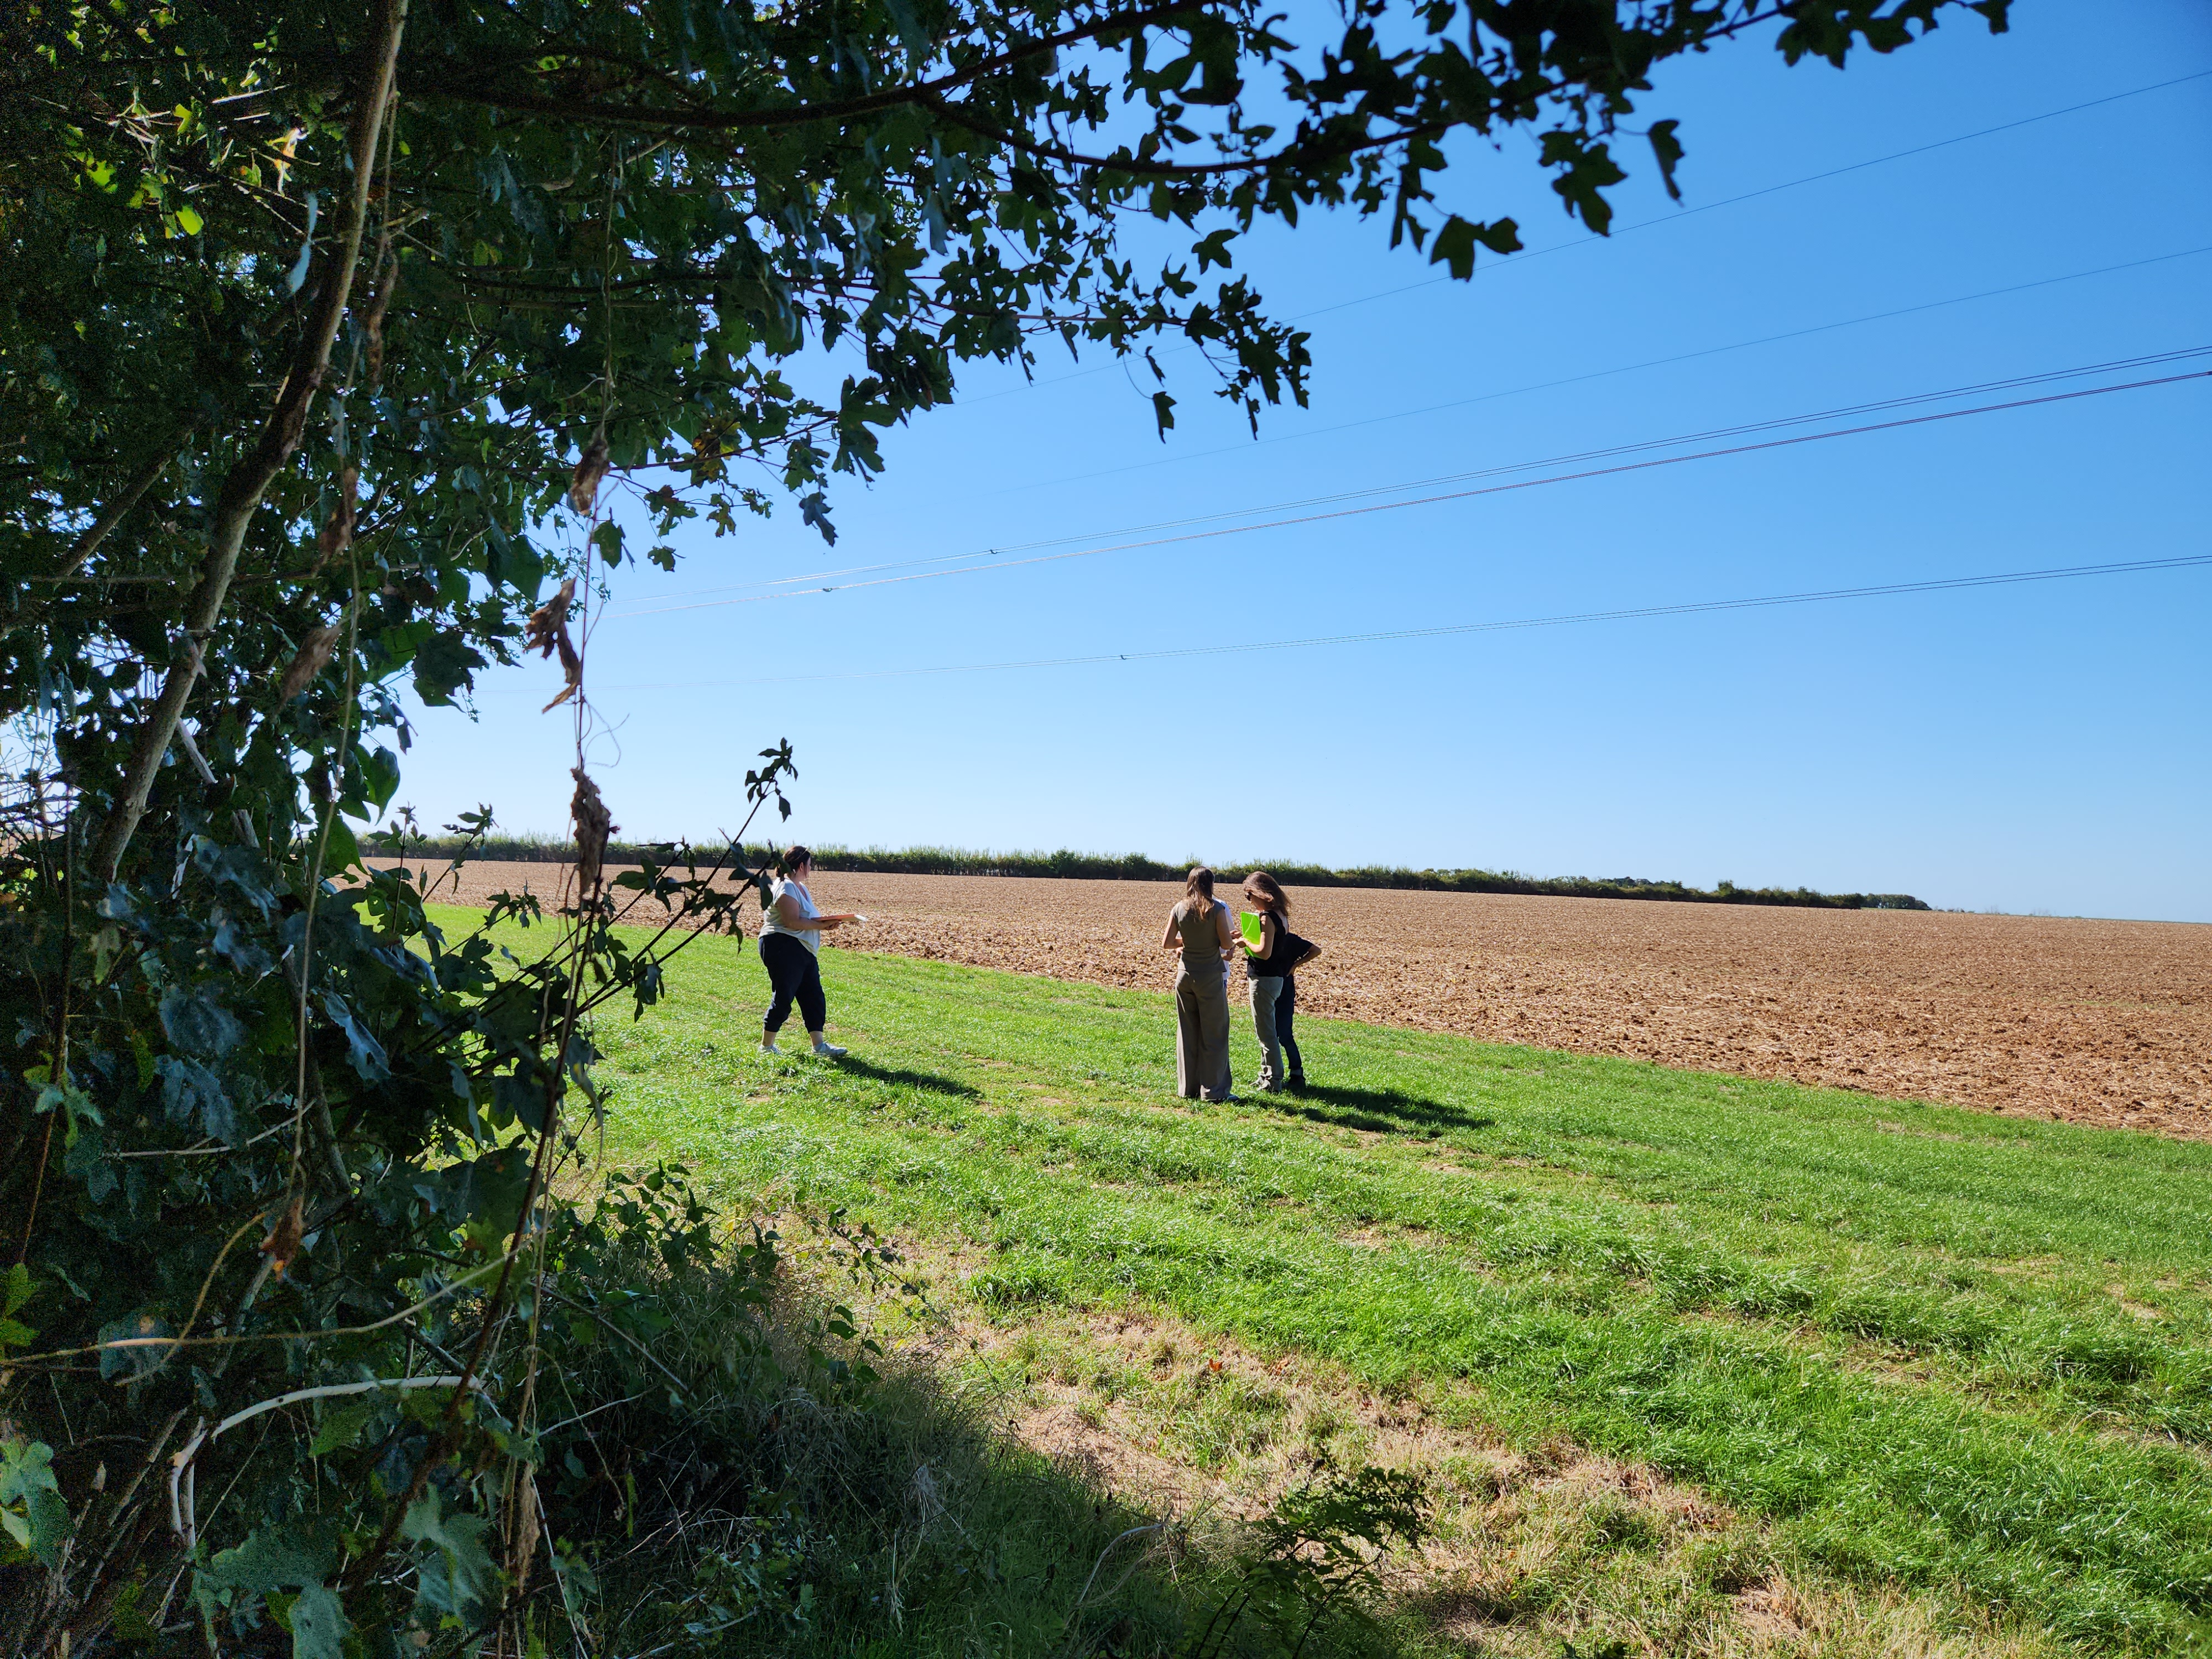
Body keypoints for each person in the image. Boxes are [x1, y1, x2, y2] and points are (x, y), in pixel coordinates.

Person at [758, 846, 863, 1057]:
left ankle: (819, 1047)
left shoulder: (801, 889)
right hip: (783, 946)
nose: (811, 869)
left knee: (813, 996)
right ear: (801, 865)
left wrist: (830, 922)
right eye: (810, 865)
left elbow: (805, 919)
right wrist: (823, 926)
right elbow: (792, 921)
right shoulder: (785, 886)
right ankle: (766, 1047)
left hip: (803, 949)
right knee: (784, 996)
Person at [1161, 865, 1238, 1102]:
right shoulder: (1216, 909)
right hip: (1210, 977)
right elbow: (1226, 944)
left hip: (1184, 976)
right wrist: (1231, 942)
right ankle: (1214, 1091)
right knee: (1214, 1033)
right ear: (1210, 884)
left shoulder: (1178, 908)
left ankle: (1188, 1089)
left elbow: (1168, 943)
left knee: (1187, 1031)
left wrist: (1189, 940)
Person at [1239, 870, 1319, 1093]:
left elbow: (1264, 953)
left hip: (1263, 978)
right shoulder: (1281, 915)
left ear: (1260, 893)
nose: (1249, 901)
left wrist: (1245, 942)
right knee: (1267, 1030)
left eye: (1249, 896)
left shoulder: (1266, 917)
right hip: (1275, 979)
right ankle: (1265, 1076)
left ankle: (1273, 1081)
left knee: (1266, 1033)